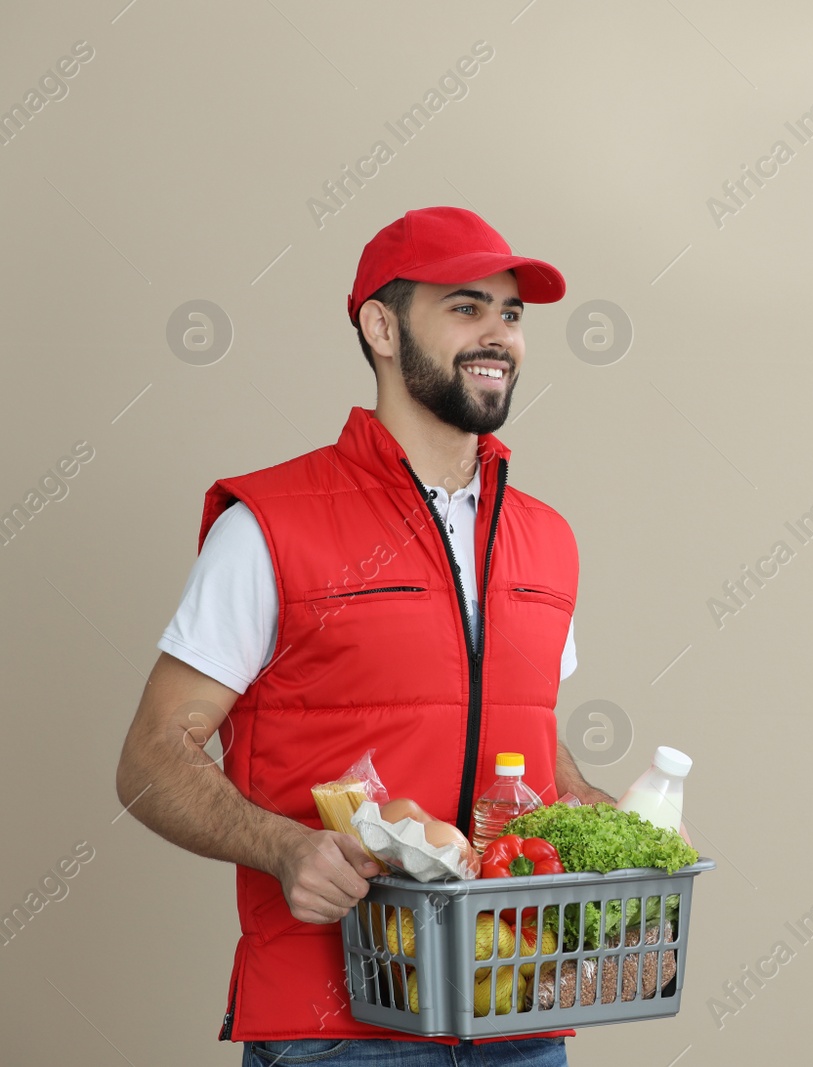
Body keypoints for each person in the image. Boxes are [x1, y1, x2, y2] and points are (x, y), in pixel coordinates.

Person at [115, 206, 615, 1065]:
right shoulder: (273, 523)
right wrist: (282, 846)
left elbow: (525, 739)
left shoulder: (547, 537)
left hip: (516, 1015)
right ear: (381, 327)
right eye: (466, 308)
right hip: (337, 1029)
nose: (499, 335)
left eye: (512, 314)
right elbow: (151, 756)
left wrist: (604, 822)